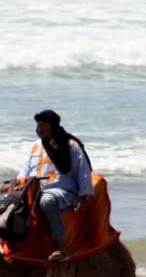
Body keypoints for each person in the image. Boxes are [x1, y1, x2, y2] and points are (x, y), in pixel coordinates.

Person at [10, 109, 94, 262]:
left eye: (43, 125)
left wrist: (83, 197)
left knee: (47, 201)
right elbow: (25, 170)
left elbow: (83, 171)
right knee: (10, 202)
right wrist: (16, 185)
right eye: (38, 125)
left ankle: (60, 247)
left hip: (63, 191)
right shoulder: (35, 146)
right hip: (35, 190)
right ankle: (14, 244)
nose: (39, 129)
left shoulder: (71, 145)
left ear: (53, 126)